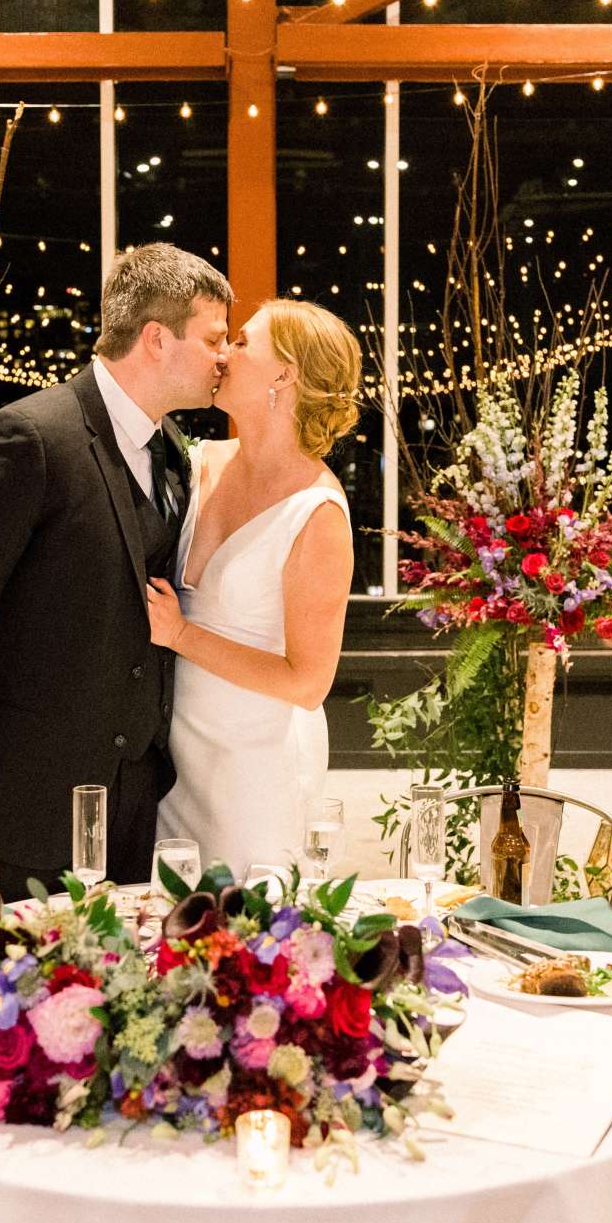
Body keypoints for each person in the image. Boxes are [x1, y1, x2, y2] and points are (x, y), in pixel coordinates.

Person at [0, 244, 232, 900]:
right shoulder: (28, 438)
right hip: (26, 805)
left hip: (135, 806)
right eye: (215, 337)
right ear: (157, 339)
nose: (226, 356)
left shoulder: (172, 455)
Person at [147, 300, 360, 878]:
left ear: (285, 373)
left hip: (255, 769)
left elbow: (309, 682)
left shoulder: (316, 513)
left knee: (249, 942)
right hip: (174, 762)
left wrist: (182, 634)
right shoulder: (198, 463)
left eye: (242, 342)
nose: (224, 353)